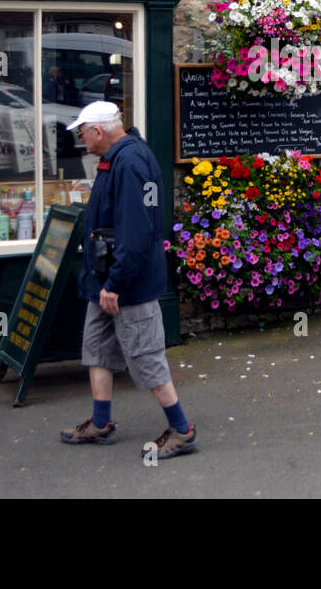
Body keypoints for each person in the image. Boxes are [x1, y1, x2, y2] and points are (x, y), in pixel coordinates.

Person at [59, 101, 196, 459]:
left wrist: (116, 283)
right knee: (98, 349)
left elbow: (135, 232)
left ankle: (182, 429)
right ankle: (101, 423)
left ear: (99, 131)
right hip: (105, 281)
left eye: (82, 131)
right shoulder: (116, 158)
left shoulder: (130, 162)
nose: (81, 139)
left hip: (125, 284)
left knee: (145, 354)